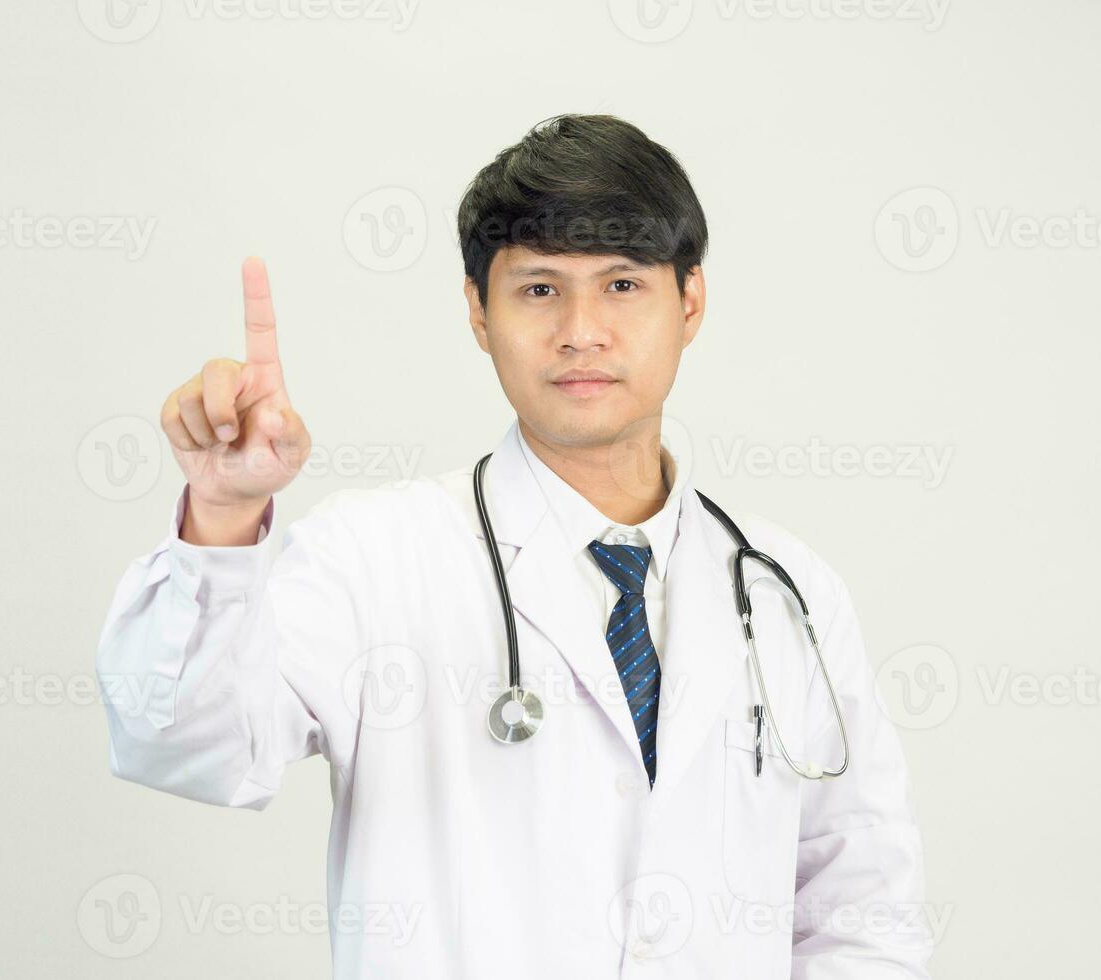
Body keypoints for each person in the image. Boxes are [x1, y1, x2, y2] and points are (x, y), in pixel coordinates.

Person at [96, 113, 932, 978]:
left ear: (690, 302)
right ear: (477, 313)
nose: (581, 331)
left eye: (621, 286)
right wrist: (223, 515)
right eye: (539, 289)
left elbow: (862, 910)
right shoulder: (374, 558)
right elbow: (185, 746)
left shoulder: (788, 589)